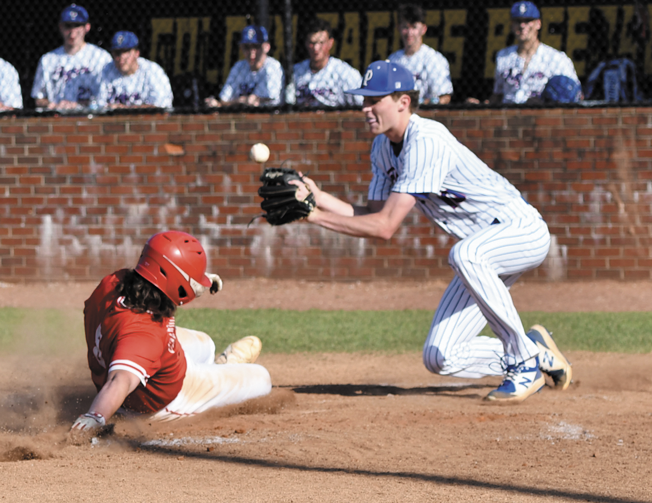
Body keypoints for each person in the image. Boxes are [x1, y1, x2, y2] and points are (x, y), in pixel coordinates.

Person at [291, 61, 572, 403]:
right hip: (481, 251)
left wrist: (315, 217)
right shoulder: (382, 148)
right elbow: (375, 213)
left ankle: (523, 364)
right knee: (440, 356)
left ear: (402, 102)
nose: (365, 108)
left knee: (465, 254)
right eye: (364, 101)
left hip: (519, 230)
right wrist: (319, 199)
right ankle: (533, 350)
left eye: (374, 100)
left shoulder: (426, 140)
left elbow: (384, 228)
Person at [70, 231, 271, 433]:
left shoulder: (113, 282)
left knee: (206, 343)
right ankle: (225, 367)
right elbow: (119, 380)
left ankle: (215, 366)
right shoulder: (143, 337)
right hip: (164, 399)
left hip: (147, 352)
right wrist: (95, 415)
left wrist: (194, 281)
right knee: (262, 379)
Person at [468, 1, 579, 105]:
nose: (522, 26)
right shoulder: (503, 56)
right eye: (518, 21)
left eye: (527, 21)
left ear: (538, 24)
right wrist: (481, 106)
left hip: (541, 117)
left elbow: (574, 94)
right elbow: (498, 95)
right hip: (508, 117)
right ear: (511, 25)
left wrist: (544, 103)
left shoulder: (556, 58)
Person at [31, 4, 112, 109]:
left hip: (91, 117)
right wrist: (53, 105)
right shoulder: (48, 60)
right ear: (61, 27)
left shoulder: (101, 58)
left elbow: (108, 98)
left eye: (77, 25)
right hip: (57, 117)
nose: (72, 32)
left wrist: (80, 105)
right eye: (68, 26)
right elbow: (39, 98)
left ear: (87, 27)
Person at [286, 18, 363, 107]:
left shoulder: (345, 73)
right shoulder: (296, 72)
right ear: (306, 44)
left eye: (321, 43)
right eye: (312, 43)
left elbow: (361, 105)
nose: (316, 48)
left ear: (330, 43)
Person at [387, 4, 453, 105]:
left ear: (423, 29)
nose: (409, 32)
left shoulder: (434, 59)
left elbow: (444, 97)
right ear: (398, 28)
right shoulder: (392, 60)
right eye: (405, 27)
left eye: (414, 27)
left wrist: (424, 103)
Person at [205, 25, 284, 107]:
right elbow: (224, 100)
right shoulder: (239, 66)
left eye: (256, 47)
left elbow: (267, 99)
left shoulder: (273, 66)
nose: (251, 53)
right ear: (241, 48)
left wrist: (237, 101)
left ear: (267, 47)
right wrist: (242, 100)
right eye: (247, 47)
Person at [97, 31, 173, 109]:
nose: (122, 57)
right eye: (117, 52)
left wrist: (126, 109)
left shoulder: (153, 71)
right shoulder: (107, 70)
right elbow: (98, 104)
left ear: (137, 53)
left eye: (126, 51)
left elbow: (163, 105)